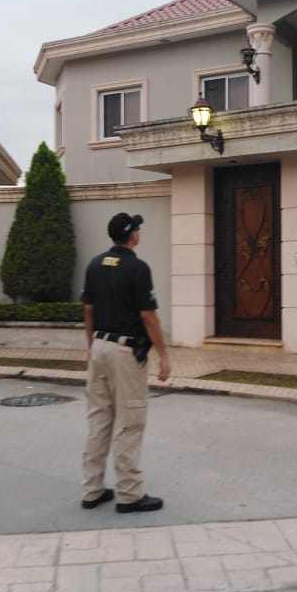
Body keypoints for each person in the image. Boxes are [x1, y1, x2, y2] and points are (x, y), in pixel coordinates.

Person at [79, 212, 171, 514]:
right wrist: (163, 356)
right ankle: (129, 494)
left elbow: (89, 310)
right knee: (130, 421)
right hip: (124, 352)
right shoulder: (138, 268)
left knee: (99, 419)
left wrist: (91, 347)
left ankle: (92, 490)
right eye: (138, 229)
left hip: (99, 347)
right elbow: (148, 316)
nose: (139, 233)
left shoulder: (94, 264)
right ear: (132, 235)